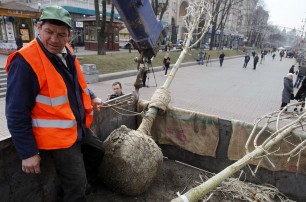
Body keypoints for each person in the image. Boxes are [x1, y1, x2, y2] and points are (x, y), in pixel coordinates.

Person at [5, 6, 104, 201]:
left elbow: (73, 83)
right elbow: (15, 112)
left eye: (61, 34)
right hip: (57, 138)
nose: (54, 39)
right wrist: (28, 153)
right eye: (49, 32)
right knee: (76, 186)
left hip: (77, 127)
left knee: (98, 152)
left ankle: (81, 187)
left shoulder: (65, 49)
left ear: (69, 35)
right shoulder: (25, 62)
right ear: (39, 27)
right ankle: (76, 191)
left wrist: (91, 96)